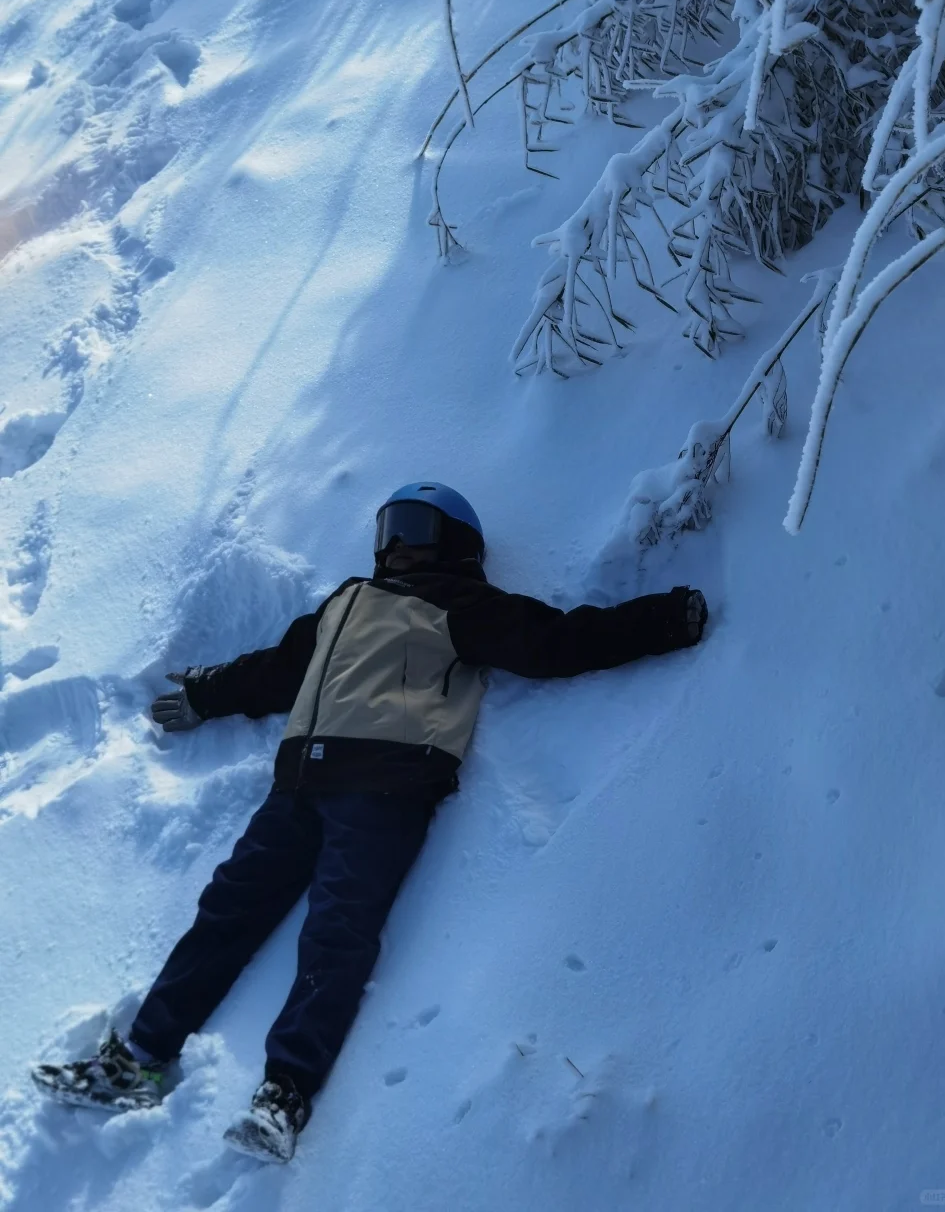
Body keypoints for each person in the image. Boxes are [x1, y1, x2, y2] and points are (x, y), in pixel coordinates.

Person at [30, 482, 708, 1162]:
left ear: (456, 544)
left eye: (417, 528)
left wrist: (662, 620)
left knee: (338, 929)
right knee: (226, 910)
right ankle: (139, 1058)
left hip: (385, 786)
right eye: (391, 529)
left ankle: (283, 1093)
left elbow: (556, 644)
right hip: (297, 785)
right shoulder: (347, 600)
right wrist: (207, 692)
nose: (399, 545)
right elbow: (278, 672)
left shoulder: (462, 603)